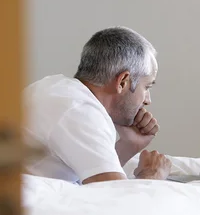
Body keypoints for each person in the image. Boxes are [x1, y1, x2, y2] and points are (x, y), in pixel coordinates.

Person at [23, 27, 172, 184]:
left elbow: (96, 180)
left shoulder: (56, 89)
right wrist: (152, 176)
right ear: (123, 81)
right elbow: (115, 200)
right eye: (147, 87)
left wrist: (129, 144)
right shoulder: (79, 111)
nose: (148, 100)